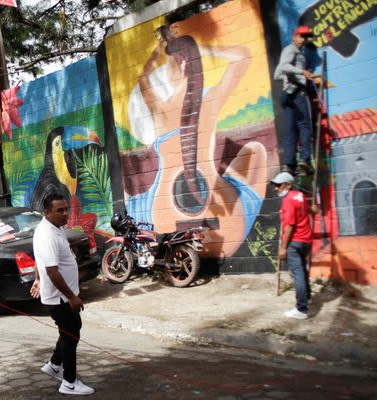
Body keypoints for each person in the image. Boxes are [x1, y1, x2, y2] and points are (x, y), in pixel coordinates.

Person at [131, 22, 267, 258]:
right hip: (228, 228)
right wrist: (202, 49)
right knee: (256, 151)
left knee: (128, 203)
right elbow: (243, 56)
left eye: (167, 66)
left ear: (179, 64)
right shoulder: (210, 99)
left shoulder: (160, 109)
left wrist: (158, 50)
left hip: (162, 217)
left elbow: (143, 78)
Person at [31, 193, 94, 395]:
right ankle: (69, 382)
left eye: (66, 209)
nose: (65, 213)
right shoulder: (47, 234)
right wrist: (72, 297)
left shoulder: (52, 229)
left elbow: (38, 260)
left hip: (60, 295)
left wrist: (37, 279)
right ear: (47, 212)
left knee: (69, 330)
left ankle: (54, 365)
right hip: (60, 297)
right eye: (60, 210)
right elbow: (52, 270)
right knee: (71, 334)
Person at [272, 172, 315, 320]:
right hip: (306, 241)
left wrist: (283, 247)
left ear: (288, 185)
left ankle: (301, 309)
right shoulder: (300, 195)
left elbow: (289, 225)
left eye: (279, 185)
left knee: (297, 275)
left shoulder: (288, 200)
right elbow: (310, 210)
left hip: (294, 242)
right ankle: (307, 297)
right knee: (302, 271)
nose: (276, 188)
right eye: (275, 185)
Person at [274, 25, 315, 176]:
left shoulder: (294, 52)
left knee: (290, 130)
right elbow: (284, 66)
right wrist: (301, 73)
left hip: (287, 94)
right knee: (304, 125)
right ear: (294, 36)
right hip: (297, 92)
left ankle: (289, 165)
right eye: (301, 36)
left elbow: (277, 74)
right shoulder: (291, 50)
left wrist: (289, 76)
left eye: (306, 37)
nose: (303, 39)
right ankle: (305, 161)